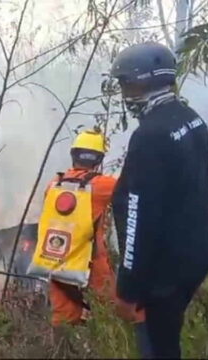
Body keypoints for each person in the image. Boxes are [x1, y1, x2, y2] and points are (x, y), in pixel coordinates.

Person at [109, 42, 208, 358]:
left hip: (163, 273)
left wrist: (128, 290)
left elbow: (139, 218)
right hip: (194, 255)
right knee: (169, 338)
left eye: (127, 83)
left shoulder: (150, 136)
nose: (125, 93)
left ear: (146, 80)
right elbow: (196, 189)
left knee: (157, 347)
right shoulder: (190, 118)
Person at [43, 130, 151, 356]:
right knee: (119, 313)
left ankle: (63, 354)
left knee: (63, 321)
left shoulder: (53, 184)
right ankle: (119, 350)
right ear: (99, 160)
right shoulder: (102, 185)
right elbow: (134, 192)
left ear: (73, 155)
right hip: (91, 266)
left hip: (57, 264)